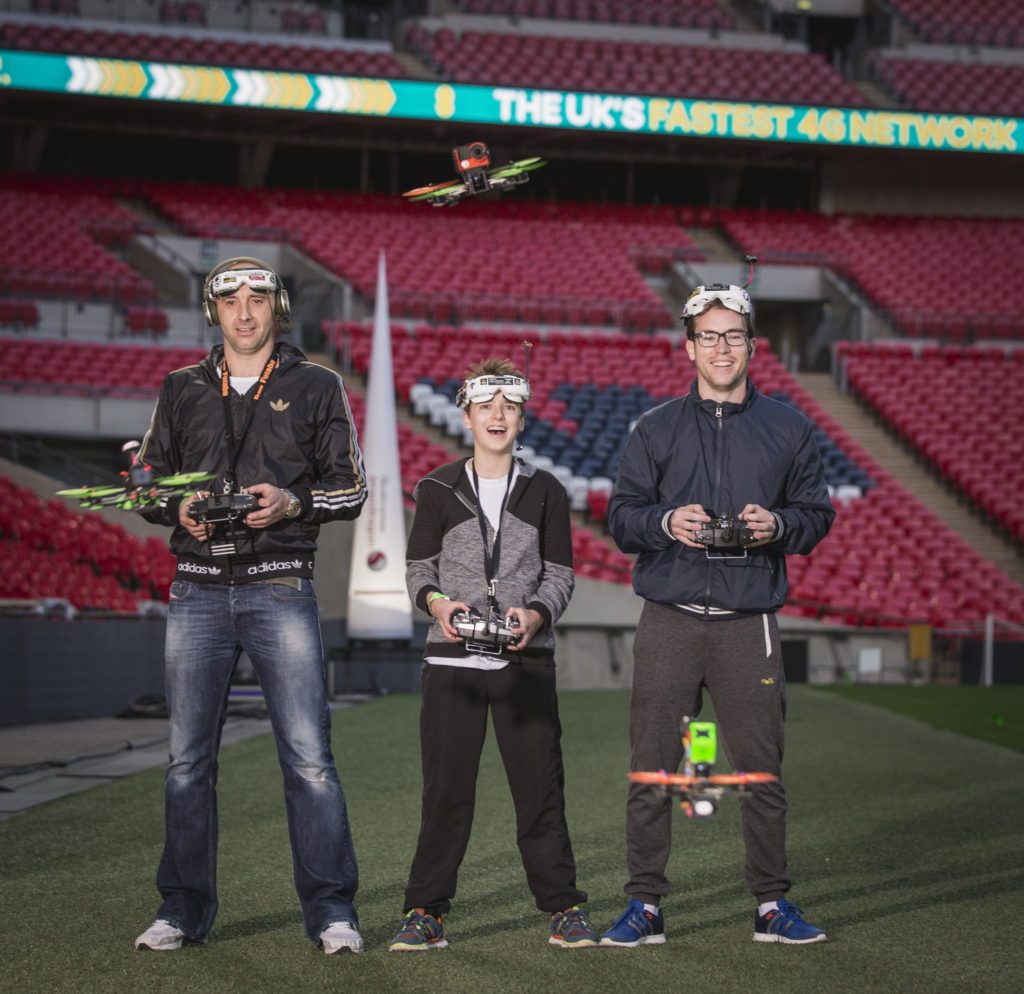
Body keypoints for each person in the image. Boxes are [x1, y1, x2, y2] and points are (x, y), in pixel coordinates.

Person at [132, 256, 367, 955]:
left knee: (308, 761)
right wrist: (177, 504)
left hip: (279, 583)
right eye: (229, 298)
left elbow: (351, 489)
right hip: (197, 586)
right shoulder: (179, 388)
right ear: (213, 310)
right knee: (185, 762)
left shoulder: (319, 384)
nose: (243, 311)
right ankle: (180, 910)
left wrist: (292, 501)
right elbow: (144, 484)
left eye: (257, 298)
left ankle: (331, 913)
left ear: (278, 308)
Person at [601, 282, 835, 947]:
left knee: (760, 769)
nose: (722, 346)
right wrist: (666, 520)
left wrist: (778, 525)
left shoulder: (789, 427)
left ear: (753, 346)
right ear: (689, 347)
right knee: (653, 766)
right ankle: (644, 904)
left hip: (746, 619)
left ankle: (771, 906)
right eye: (709, 335)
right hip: (670, 615)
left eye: (733, 334)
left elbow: (817, 516)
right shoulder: (654, 427)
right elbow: (621, 518)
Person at [389, 357, 597, 951]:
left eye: (509, 406)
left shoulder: (547, 489)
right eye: (487, 406)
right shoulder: (435, 487)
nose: (498, 416)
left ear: (522, 416)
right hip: (450, 664)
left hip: (524, 663)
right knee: (446, 793)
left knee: (540, 792)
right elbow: (417, 571)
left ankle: (563, 908)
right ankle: (425, 911)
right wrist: (438, 605)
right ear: (467, 413)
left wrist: (536, 614)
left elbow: (559, 574)